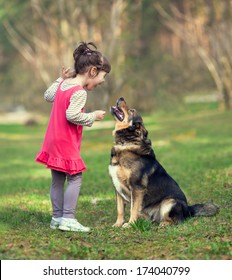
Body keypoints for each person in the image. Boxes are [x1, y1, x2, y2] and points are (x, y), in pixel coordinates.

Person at [35, 42, 111, 232]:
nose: (100, 83)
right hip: (65, 141)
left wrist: (59, 79)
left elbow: (47, 96)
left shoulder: (64, 85)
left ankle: (56, 218)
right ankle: (68, 218)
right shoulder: (79, 92)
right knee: (75, 177)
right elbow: (73, 115)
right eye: (101, 78)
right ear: (93, 71)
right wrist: (93, 116)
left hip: (53, 139)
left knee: (58, 179)